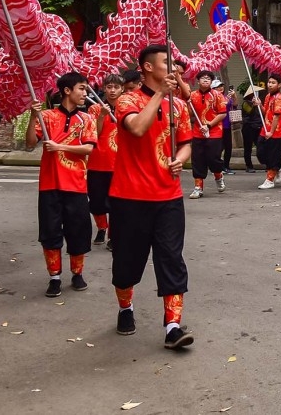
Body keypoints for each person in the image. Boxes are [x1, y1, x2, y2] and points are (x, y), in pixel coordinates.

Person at [110, 44, 195, 349]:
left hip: (168, 196)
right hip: (129, 196)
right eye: (165, 62)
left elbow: (186, 142)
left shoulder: (180, 107)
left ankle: (172, 326)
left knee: (171, 259)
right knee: (127, 263)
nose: (172, 67)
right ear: (147, 68)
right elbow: (136, 128)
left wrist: (181, 158)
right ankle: (125, 307)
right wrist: (160, 94)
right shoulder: (126, 100)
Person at [26, 72, 96, 298]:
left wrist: (60, 148)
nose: (85, 93)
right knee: (50, 233)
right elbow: (29, 143)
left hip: (76, 185)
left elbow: (88, 149)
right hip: (50, 185)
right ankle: (54, 277)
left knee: (78, 232)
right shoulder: (46, 116)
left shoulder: (87, 119)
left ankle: (77, 273)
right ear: (67, 91)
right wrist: (32, 117)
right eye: (82, 89)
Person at [88, 73, 124, 248]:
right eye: (109, 87)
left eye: (116, 87)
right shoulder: (95, 108)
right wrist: (102, 116)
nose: (112, 90)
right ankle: (102, 226)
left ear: (122, 89)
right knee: (96, 201)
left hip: (120, 163)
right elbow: (94, 134)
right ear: (104, 88)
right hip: (98, 162)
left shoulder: (127, 108)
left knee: (117, 203)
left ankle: (113, 236)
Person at [186, 71, 227, 199]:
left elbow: (222, 113)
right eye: (203, 78)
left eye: (208, 78)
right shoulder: (192, 95)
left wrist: (209, 125)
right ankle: (198, 187)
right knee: (197, 160)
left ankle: (218, 176)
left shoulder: (217, 95)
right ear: (198, 81)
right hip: (198, 132)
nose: (205, 80)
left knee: (213, 158)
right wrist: (188, 104)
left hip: (214, 132)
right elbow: (190, 115)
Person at [257, 75, 281, 189]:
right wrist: (259, 104)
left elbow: (276, 116)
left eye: (273, 82)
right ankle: (278, 168)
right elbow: (266, 112)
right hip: (265, 129)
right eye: (269, 82)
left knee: (272, 156)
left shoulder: (278, 98)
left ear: (279, 85)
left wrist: (271, 131)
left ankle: (270, 180)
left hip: (276, 131)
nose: (270, 84)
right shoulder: (268, 96)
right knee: (260, 153)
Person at [240, 84, 263, 172]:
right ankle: (249, 166)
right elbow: (249, 112)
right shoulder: (246, 103)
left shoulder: (259, 102)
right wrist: (253, 105)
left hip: (258, 126)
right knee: (248, 147)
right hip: (248, 127)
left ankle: (265, 163)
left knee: (261, 146)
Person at [217, 82, 235, 174]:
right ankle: (218, 167)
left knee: (228, 147)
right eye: (217, 87)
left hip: (227, 124)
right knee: (219, 147)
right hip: (217, 126)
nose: (220, 88)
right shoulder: (213, 97)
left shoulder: (226, 96)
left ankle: (226, 166)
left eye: (221, 86)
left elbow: (235, 104)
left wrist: (234, 96)